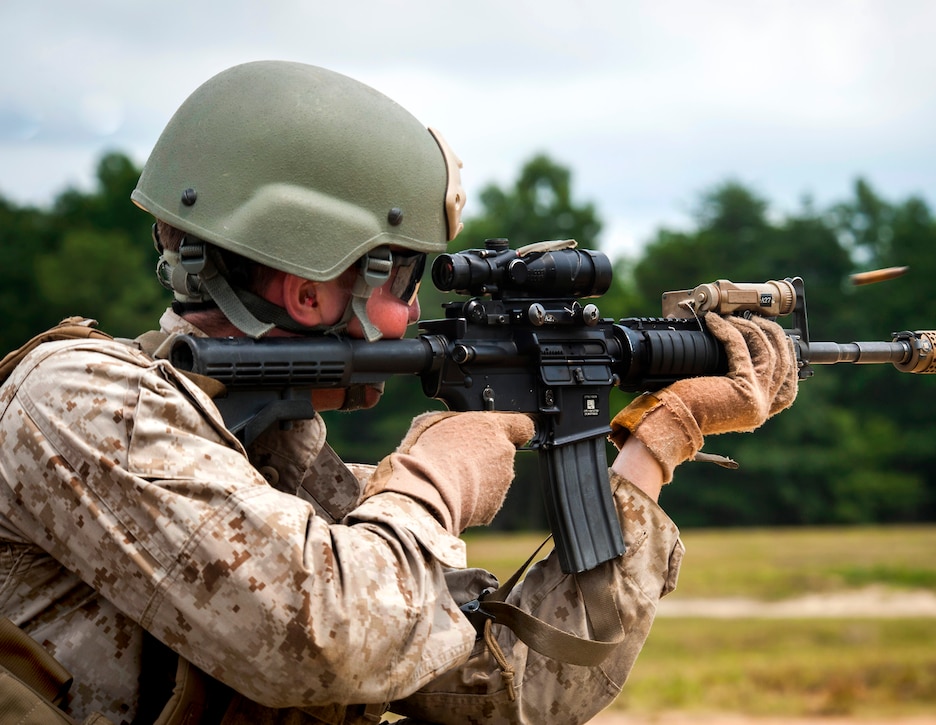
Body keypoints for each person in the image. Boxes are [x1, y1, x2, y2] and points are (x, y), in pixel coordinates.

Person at [0, 60, 797, 724]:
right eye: (406, 273)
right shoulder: (80, 404)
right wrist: (433, 478)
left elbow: (511, 693)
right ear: (311, 284)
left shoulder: (271, 456)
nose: (415, 313)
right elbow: (323, 640)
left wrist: (660, 441)